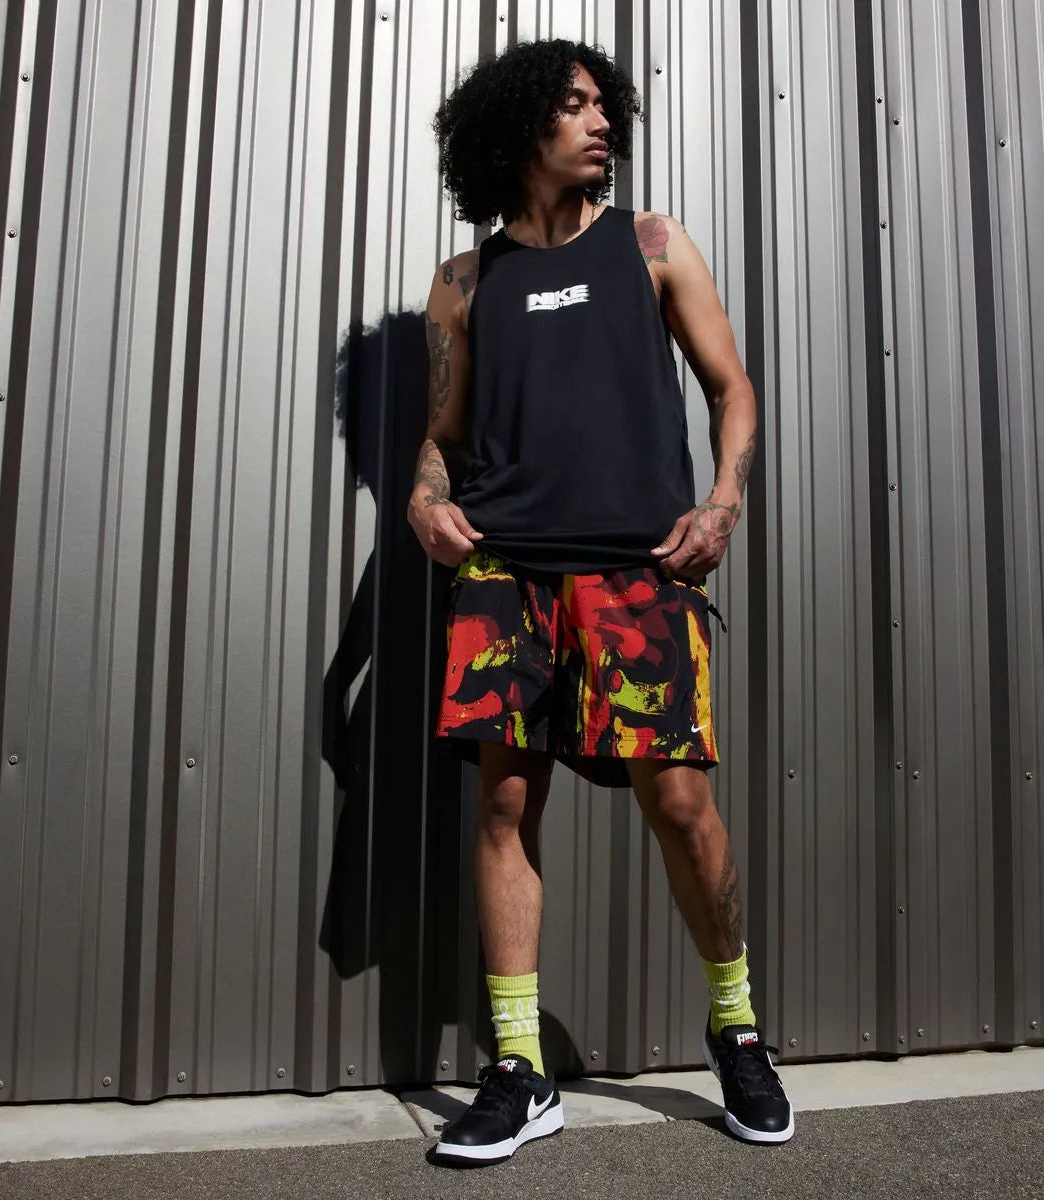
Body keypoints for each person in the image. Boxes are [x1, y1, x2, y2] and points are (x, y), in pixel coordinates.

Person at [408, 38, 793, 1164]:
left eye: (601, 104)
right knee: (504, 808)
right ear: (518, 129)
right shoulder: (464, 282)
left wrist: (722, 501)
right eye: (572, 106)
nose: (600, 121)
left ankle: (736, 1029)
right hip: (507, 573)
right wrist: (426, 501)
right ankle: (519, 1069)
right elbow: (441, 439)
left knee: (680, 802)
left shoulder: (653, 246)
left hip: (636, 572)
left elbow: (732, 388)